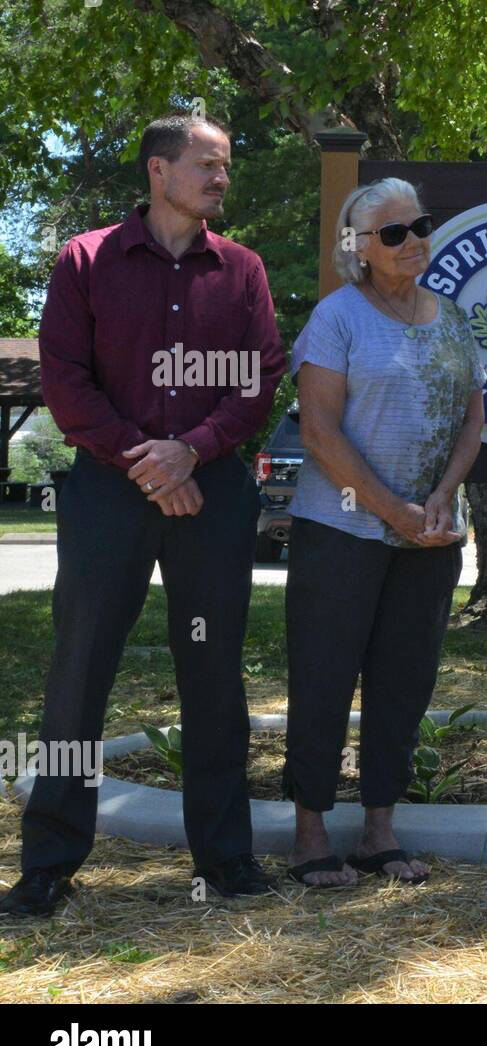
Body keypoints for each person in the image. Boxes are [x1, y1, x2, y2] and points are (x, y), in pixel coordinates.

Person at [1, 113, 286, 916]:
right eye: (208, 163)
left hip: (211, 491)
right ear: (159, 171)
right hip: (105, 490)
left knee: (215, 675)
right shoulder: (84, 260)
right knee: (77, 673)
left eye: (225, 164)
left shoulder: (243, 270)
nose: (223, 177)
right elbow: (65, 380)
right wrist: (147, 460)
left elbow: (261, 378)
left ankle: (226, 860)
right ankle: (49, 863)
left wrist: (190, 450)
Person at [281, 178, 485, 887]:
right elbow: (318, 429)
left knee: (404, 683)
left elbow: (471, 419)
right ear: (357, 248)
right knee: (323, 678)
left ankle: (378, 830)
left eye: (419, 225)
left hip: (429, 540)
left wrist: (440, 496)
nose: (411, 241)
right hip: (339, 531)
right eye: (392, 233)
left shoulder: (455, 317)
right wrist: (391, 509)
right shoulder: (336, 317)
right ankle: (310, 833)